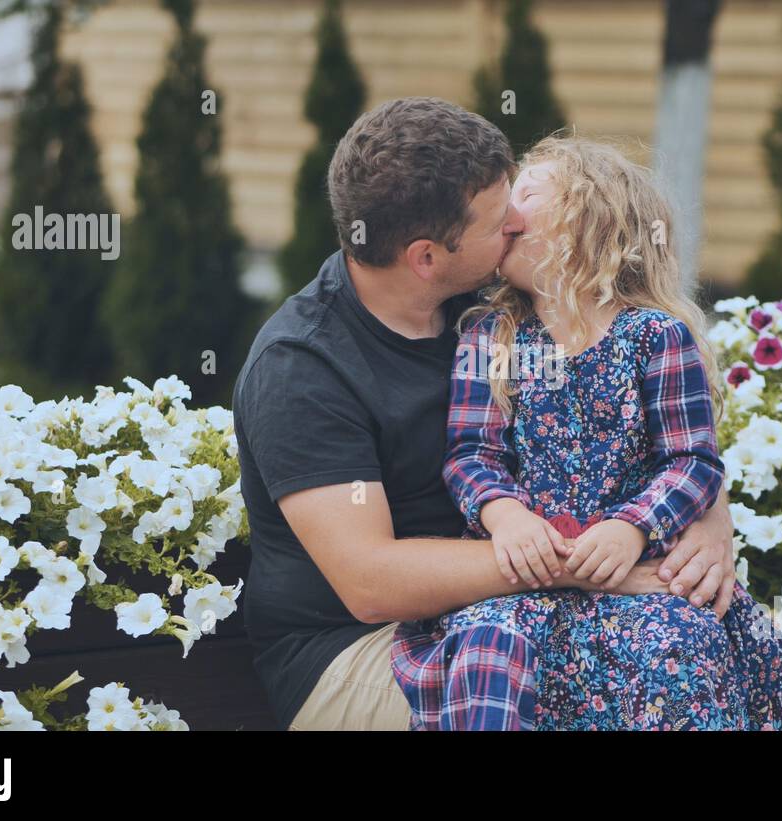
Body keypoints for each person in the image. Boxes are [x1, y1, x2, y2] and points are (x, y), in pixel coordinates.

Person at [233, 97, 741, 731]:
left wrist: (707, 516)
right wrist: (603, 568)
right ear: (426, 256)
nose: (519, 221)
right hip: (355, 651)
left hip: (509, 607)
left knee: (656, 671)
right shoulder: (302, 369)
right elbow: (371, 584)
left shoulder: (496, 295)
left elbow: (659, 423)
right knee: (580, 698)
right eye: (502, 217)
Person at [390, 137, 782, 730]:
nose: (507, 211)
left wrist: (631, 527)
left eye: (528, 194)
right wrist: (504, 514)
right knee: (485, 650)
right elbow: (469, 452)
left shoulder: (656, 338)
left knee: (676, 651)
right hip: (521, 581)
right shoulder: (491, 336)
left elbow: (692, 459)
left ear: (590, 222)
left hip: (635, 577)